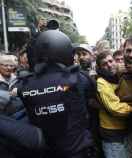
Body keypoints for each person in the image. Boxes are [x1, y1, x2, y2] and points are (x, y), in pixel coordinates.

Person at [15, 30, 96, 158]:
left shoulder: (24, 85)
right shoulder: (79, 78)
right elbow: (91, 100)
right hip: (78, 151)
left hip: (46, 152)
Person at [95, 51, 132, 158]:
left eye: (110, 61)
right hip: (111, 132)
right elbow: (114, 108)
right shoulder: (101, 82)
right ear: (100, 68)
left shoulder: (117, 76)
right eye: (104, 64)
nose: (109, 65)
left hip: (123, 129)